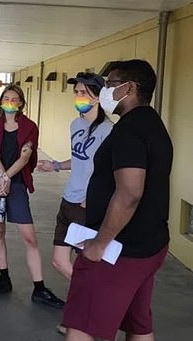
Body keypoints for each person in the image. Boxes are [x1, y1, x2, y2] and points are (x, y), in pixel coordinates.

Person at [63, 60, 173, 341]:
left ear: (130, 88)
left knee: (83, 324)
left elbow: (129, 192)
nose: (105, 91)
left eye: (111, 84)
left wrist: (100, 243)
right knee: (138, 322)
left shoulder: (128, 130)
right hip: (151, 245)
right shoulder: (154, 125)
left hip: (120, 251)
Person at [0, 84, 64, 309]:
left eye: (14, 99)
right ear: (1, 101)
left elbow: (25, 156)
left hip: (16, 183)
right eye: (6, 98)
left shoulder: (29, 127)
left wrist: (7, 178)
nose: (9, 102)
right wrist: (1, 177)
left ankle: (39, 288)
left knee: (29, 237)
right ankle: (4, 277)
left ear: (20, 103)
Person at [38, 72, 113, 280]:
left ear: (97, 97)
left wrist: (95, 198)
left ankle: (92, 302)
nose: (78, 96)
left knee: (87, 265)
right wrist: (55, 166)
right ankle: (88, 297)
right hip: (68, 201)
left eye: (84, 93)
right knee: (59, 261)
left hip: (86, 207)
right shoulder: (76, 125)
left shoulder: (109, 131)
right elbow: (80, 160)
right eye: (77, 92)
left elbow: (112, 172)